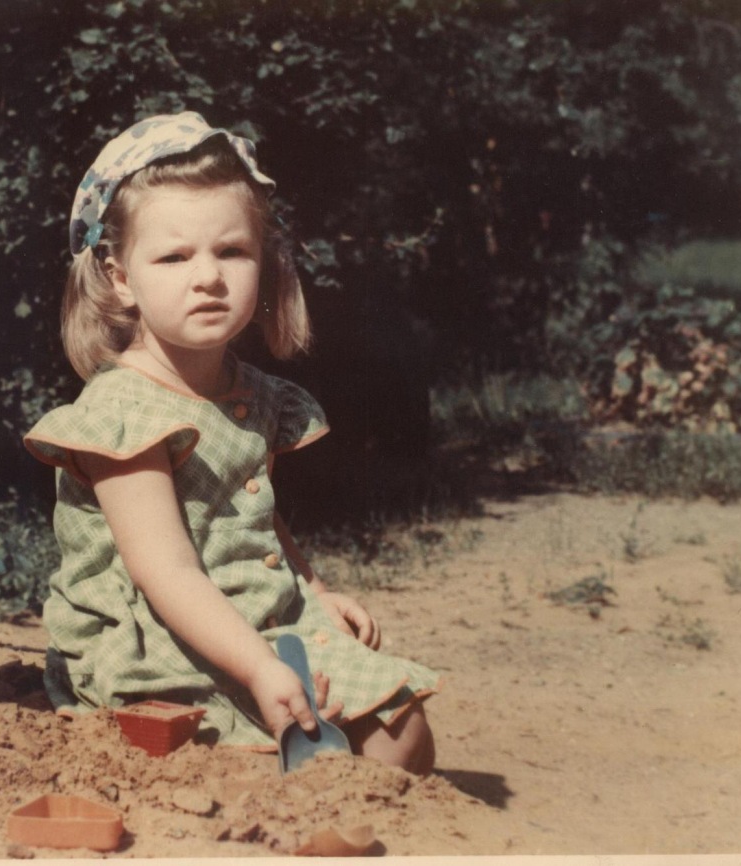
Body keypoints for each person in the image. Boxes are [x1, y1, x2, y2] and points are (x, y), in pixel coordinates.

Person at [24, 112, 438, 774]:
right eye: (174, 257)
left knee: (403, 734)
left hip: (250, 612)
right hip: (159, 634)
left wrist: (313, 591)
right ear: (120, 276)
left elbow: (253, 515)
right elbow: (167, 574)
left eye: (232, 252)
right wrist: (260, 667)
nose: (208, 277)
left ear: (263, 261)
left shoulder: (251, 393)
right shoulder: (123, 415)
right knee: (272, 755)